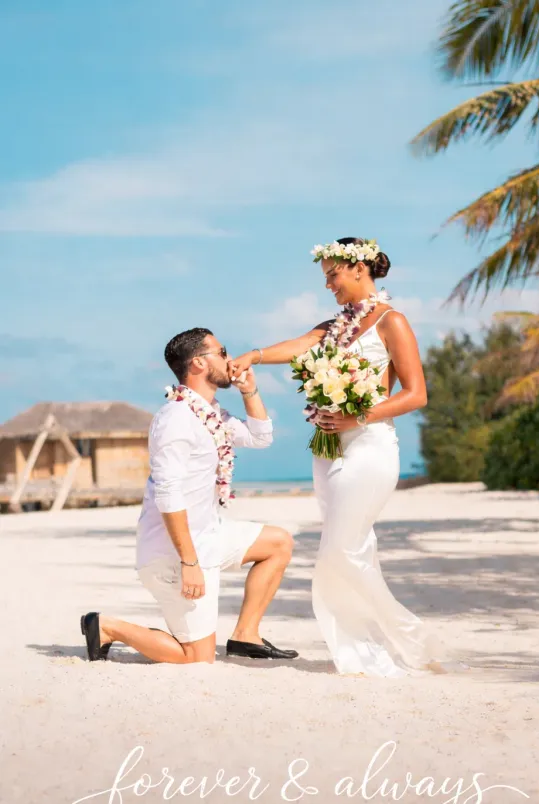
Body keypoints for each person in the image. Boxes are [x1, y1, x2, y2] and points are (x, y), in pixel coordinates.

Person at [230, 237, 449, 677]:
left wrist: (357, 417)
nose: (328, 283)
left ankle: (404, 640)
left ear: (358, 269)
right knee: (354, 549)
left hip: (370, 449)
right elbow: (297, 346)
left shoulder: (393, 321)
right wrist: (252, 356)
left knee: (339, 550)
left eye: (332, 273)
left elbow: (416, 394)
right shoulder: (334, 326)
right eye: (326, 275)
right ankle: (369, 645)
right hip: (329, 454)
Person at [80, 327, 297, 665]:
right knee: (196, 658)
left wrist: (250, 391)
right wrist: (190, 563)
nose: (230, 358)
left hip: (209, 536)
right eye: (222, 351)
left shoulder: (211, 414)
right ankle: (107, 626)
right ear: (198, 362)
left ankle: (245, 635)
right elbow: (168, 495)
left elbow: (260, 437)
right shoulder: (176, 418)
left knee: (278, 543)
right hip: (173, 554)